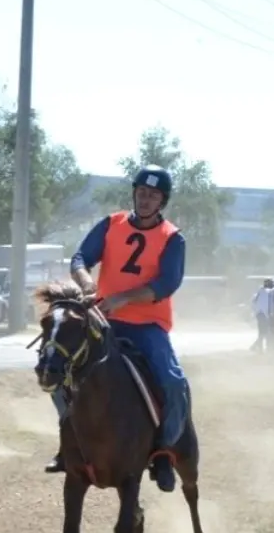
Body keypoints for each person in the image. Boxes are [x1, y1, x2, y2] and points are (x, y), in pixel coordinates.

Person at [45, 164, 188, 493]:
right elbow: (81, 257)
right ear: (134, 194)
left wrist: (123, 298)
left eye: (153, 195)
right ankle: (69, 443)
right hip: (103, 318)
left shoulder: (173, 238)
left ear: (162, 201)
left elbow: (167, 283)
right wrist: (85, 284)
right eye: (141, 192)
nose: (146, 199)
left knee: (174, 382)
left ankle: (164, 452)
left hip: (148, 325)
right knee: (57, 369)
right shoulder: (111, 224)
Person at [249, 279, 273, 352]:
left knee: (262, 332)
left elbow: (253, 303)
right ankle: (260, 348)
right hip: (265, 314)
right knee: (265, 332)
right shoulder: (268, 292)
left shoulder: (259, 292)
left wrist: (255, 312)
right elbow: (268, 304)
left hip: (260, 314)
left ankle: (257, 347)